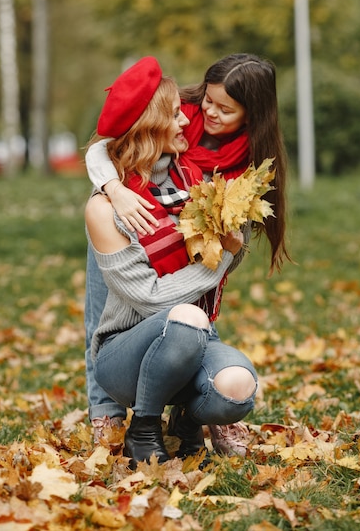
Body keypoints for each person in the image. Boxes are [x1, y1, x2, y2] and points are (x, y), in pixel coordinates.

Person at [85, 53, 290, 454]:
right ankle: (106, 411)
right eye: (208, 100)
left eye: (224, 109)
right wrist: (113, 189)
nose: (207, 112)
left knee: (190, 317)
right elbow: (104, 144)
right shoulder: (177, 113)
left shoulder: (248, 162)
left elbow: (227, 245)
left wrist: (229, 249)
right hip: (131, 210)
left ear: (252, 115)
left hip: (187, 265)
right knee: (105, 312)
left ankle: (196, 408)